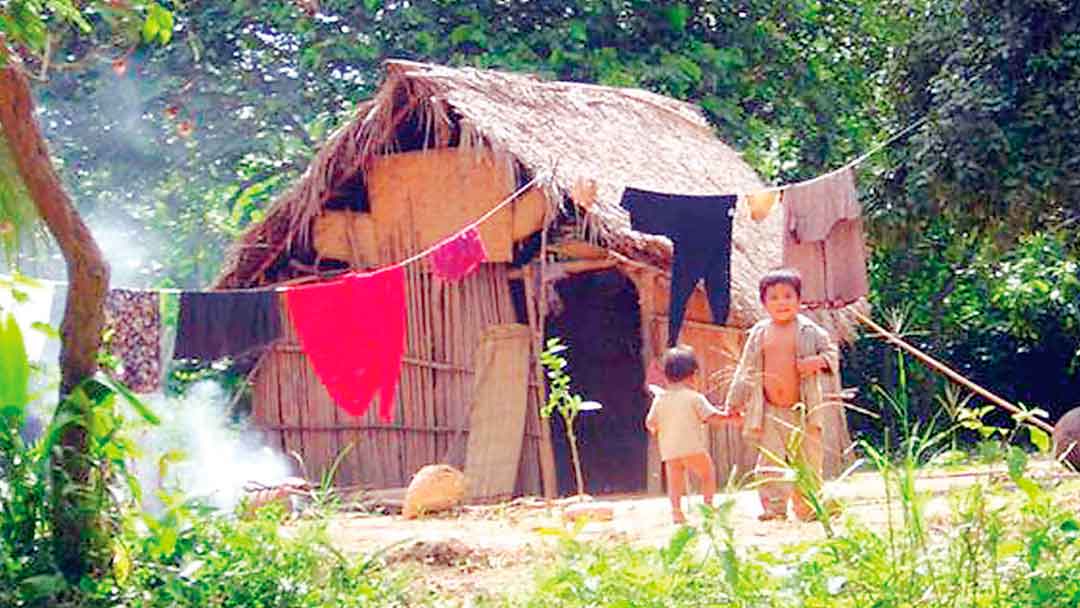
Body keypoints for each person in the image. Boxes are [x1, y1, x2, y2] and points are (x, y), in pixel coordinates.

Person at [725, 268, 839, 521]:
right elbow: (746, 369)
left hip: (804, 408)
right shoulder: (759, 333)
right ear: (764, 303)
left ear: (799, 300)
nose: (782, 302)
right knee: (770, 463)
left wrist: (815, 362)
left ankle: (809, 508)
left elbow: (832, 356)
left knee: (808, 460)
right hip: (770, 410)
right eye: (774, 297)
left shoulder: (810, 331)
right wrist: (734, 402)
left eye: (788, 296)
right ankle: (774, 509)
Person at [645, 346, 739, 524]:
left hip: (670, 451)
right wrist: (731, 418)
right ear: (694, 375)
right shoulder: (694, 397)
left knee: (675, 482)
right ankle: (708, 508)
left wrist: (656, 429)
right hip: (692, 447)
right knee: (707, 474)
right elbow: (712, 417)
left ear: (665, 376)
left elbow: (650, 422)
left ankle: (676, 513)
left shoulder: (660, 399)